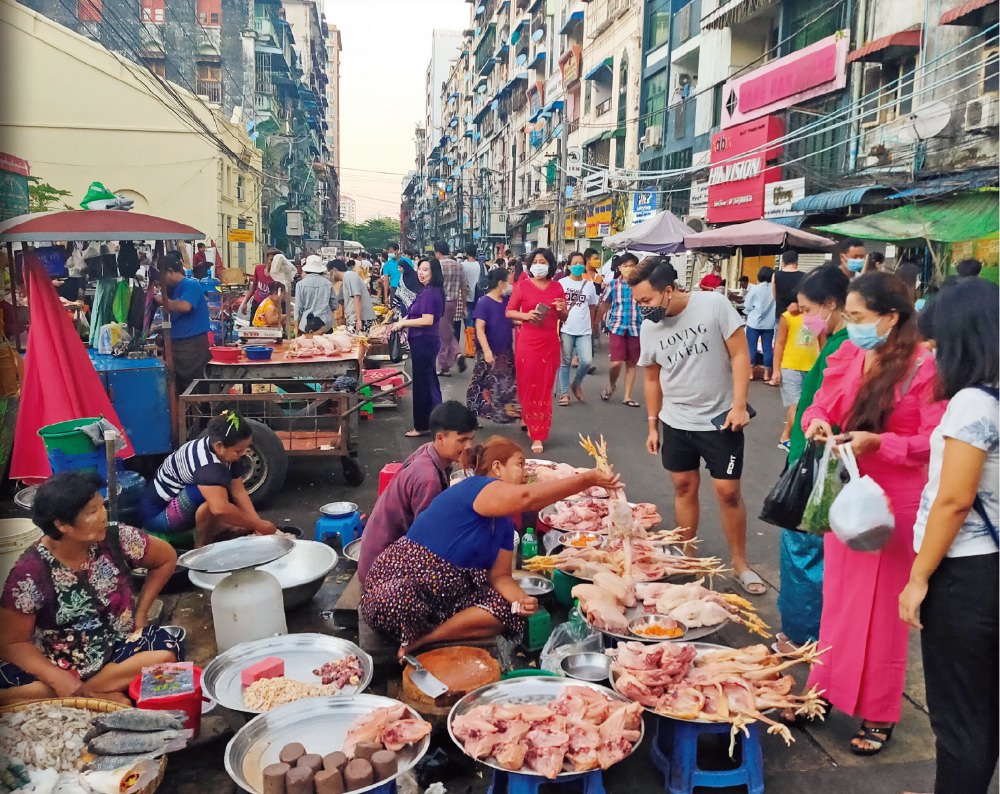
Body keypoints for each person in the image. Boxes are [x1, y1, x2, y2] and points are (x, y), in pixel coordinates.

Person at [803, 271, 945, 755]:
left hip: (893, 506)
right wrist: (817, 422)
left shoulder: (924, 368)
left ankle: (880, 712)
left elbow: (936, 442)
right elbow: (818, 404)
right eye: (849, 315)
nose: (851, 323)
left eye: (860, 317)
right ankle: (821, 692)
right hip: (846, 494)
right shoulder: (848, 352)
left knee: (885, 615)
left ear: (890, 317)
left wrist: (882, 443)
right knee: (839, 604)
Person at [361, 436, 621, 658]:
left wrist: (522, 599)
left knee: (508, 610)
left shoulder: (505, 524)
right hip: (405, 585)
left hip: (447, 600)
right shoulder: (476, 487)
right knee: (397, 599)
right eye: (520, 464)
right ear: (497, 467)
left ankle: (426, 639)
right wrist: (588, 479)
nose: (526, 472)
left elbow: (500, 577)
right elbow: (528, 498)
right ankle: (423, 631)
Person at [898, 279, 998, 794]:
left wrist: (918, 579)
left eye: (935, 347)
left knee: (962, 716)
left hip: (969, 575)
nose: (931, 359)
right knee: (987, 707)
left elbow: (955, 499)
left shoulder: (974, 405)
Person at [627, 256, 764, 596]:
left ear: (669, 290)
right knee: (684, 488)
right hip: (675, 422)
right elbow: (652, 378)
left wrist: (738, 405)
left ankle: (740, 564)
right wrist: (652, 425)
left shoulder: (713, 305)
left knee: (727, 493)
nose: (643, 309)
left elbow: (739, 354)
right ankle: (687, 558)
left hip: (720, 420)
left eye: (646, 300)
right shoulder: (650, 327)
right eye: (638, 303)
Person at [0, 471, 180, 705]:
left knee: (167, 652)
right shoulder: (31, 572)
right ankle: (84, 694)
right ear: (62, 524)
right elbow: (11, 642)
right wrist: (58, 678)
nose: (103, 515)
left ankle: (77, 696)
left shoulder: (115, 537)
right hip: (61, 663)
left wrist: (142, 614)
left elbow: (166, 558)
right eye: (92, 512)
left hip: (118, 649)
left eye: (101, 506)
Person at [775, 265, 852, 653]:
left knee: (804, 553)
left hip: (820, 465)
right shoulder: (835, 342)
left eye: (807, 309)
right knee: (809, 552)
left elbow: (829, 407)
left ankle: (804, 639)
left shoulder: (845, 347)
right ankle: (809, 634)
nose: (803, 318)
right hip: (811, 458)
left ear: (832, 304)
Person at [358, 402, 478, 583]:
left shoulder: (427, 451)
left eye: (471, 439)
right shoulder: (428, 479)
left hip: (377, 556)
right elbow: (428, 541)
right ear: (440, 438)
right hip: (382, 573)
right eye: (462, 441)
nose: (468, 446)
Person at [138, 412, 278, 547]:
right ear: (219, 446)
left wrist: (257, 523)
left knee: (222, 494)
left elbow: (238, 491)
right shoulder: (207, 465)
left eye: (244, 449)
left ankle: (219, 527)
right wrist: (258, 525)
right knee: (212, 500)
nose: (243, 454)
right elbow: (220, 508)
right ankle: (202, 545)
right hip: (158, 516)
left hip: (178, 500)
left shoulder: (222, 450)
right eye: (238, 450)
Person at [506, 248, 568, 454]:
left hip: (549, 343)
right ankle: (528, 417)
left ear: (550, 265)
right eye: (536, 261)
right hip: (528, 343)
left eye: (543, 261)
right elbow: (510, 311)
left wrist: (561, 309)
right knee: (526, 386)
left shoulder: (557, 287)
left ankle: (538, 434)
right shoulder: (522, 286)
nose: (539, 264)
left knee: (543, 389)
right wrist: (526, 316)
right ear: (530, 265)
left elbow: (564, 317)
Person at [392, 258, 446, 437]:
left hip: (424, 341)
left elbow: (427, 319)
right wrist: (403, 321)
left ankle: (423, 425)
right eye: (420, 269)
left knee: (423, 384)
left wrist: (402, 324)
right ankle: (436, 422)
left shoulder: (431, 293)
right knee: (429, 382)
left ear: (434, 272)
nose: (421, 273)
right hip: (424, 341)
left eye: (425, 270)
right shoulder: (428, 290)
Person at [154, 251, 211, 395]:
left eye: (162, 276)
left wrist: (163, 301)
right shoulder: (173, 290)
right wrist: (156, 328)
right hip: (178, 346)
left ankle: (198, 417)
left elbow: (186, 306)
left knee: (193, 388)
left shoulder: (190, 285)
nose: (161, 281)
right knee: (179, 389)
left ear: (171, 272)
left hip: (192, 349)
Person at [467, 268, 517, 424]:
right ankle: (471, 416)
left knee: (505, 382)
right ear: (500, 283)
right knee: (480, 382)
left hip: (505, 350)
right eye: (508, 282)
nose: (510, 285)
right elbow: (479, 329)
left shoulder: (506, 302)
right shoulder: (484, 302)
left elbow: (511, 320)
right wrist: (487, 351)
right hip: (487, 350)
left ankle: (501, 413)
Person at [771, 299, 820, 449]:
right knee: (797, 405)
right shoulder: (788, 316)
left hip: (812, 367)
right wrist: (776, 369)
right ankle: (793, 440)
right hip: (790, 366)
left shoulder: (819, 317)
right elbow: (779, 343)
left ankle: (786, 436)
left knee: (805, 405)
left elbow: (822, 342)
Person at [601, 252, 644, 407]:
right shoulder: (613, 285)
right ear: (619, 267)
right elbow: (605, 304)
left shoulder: (642, 285)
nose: (628, 269)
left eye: (632, 265)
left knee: (631, 363)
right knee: (616, 363)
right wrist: (596, 322)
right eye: (625, 266)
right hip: (617, 326)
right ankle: (612, 385)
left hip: (636, 327)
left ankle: (627, 396)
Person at [557, 254, 599, 405]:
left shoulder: (589, 285)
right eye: (574, 263)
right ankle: (564, 393)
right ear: (568, 266)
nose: (578, 266)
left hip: (584, 330)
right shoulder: (561, 283)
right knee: (565, 361)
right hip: (566, 328)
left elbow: (593, 306)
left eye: (581, 263)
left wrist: (594, 325)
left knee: (587, 361)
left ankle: (576, 383)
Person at [434, 240, 467, 376]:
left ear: (438, 252)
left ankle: (448, 362)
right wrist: (464, 305)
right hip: (454, 302)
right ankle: (450, 361)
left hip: (440, 302)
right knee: (447, 331)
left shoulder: (437, 266)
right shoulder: (458, 266)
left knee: (443, 335)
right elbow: (464, 287)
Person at [743, 267, 776, 382]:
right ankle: (767, 374)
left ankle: (751, 373)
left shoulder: (755, 289)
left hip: (753, 322)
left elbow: (747, 305)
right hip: (770, 323)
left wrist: (748, 312)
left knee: (751, 347)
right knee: (767, 348)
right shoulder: (774, 289)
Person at [328, 259, 376, 333]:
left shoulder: (350, 275)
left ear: (334, 270)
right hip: (353, 319)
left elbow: (357, 297)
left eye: (329, 272)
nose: (329, 276)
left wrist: (358, 320)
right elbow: (341, 301)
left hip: (362, 319)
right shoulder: (344, 281)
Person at [294, 254, 336, 334]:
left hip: (306, 325)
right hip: (325, 326)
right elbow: (334, 305)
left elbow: (298, 308)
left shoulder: (300, 284)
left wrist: (296, 327)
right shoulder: (328, 284)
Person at [241, 248, 280, 318]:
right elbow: (253, 286)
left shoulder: (279, 275)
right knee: (253, 325)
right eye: (271, 260)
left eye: (276, 261)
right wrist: (245, 302)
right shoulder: (259, 269)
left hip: (270, 307)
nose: (273, 263)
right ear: (267, 259)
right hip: (257, 303)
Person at [773, 250, 804, 320]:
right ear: (796, 261)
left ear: (784, 262)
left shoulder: (776, 275)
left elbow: (775, 296)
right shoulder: (804, 276)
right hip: (797, 314)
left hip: (781, 314)